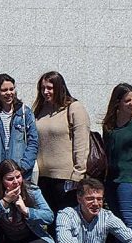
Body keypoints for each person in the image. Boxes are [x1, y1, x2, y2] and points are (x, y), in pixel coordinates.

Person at [33, 71, 90, 213]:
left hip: (66, 178)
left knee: (64, 220)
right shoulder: (40, 110)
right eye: (42, 88)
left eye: (50, 88)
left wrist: (78, 174)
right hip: (43, 177)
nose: (45, 92)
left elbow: (81, 144)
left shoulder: (74, 108)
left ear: (59, 87)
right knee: (49, 221)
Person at [102, 83, 132, 236]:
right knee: (117, 222)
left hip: (129, 178)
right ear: (118, 102)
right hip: (110, 178)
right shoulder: (109, 123)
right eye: (127, 100)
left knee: (128, 218)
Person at [0, 74, 39, 179]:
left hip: (19, 174)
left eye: (11, 89)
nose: (9, 93)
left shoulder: (24, 112)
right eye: (4, 90)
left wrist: (24, 166)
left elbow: (33, 142)